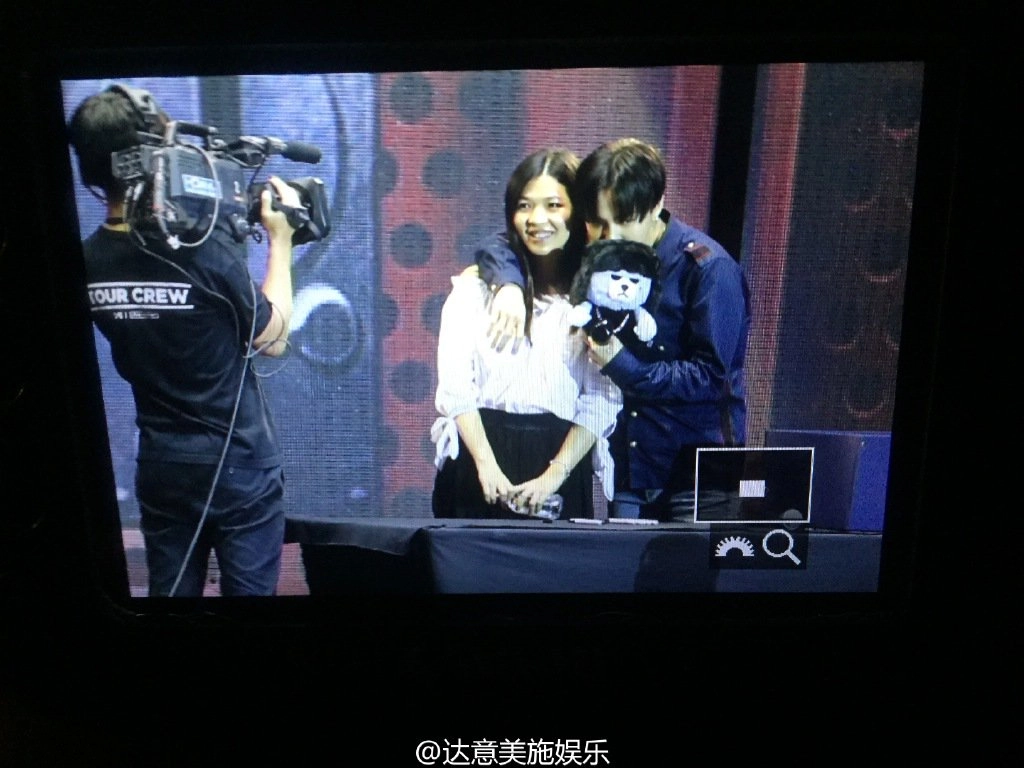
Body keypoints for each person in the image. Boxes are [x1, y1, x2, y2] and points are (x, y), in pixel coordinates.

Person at [68, 86, 304, 596]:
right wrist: (281, 241)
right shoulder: (203, 252)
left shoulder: (86, 263)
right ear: (152, 155)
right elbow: (274, 338)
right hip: (240, 468)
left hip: (162, 467)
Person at [476, 138, 751, 521]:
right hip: (629, 476)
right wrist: (508, 283)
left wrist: (623, 365)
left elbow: (711, 378)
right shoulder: (600, 252)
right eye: (598, 223)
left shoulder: (708, 270)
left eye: (623, 221)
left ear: (655, 205)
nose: (611, 237)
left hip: (698, 481)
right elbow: (507, 241)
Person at [431, 148, 622, 520]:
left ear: (578, 211)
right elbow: (456, 386)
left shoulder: (597, 297)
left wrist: (554, 476)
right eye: (524, 206)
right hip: (479, 458)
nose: (537, 219)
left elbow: (603, 395)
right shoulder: (475, 289)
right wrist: (486, 465)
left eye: (553, 205)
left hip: (561, 459)